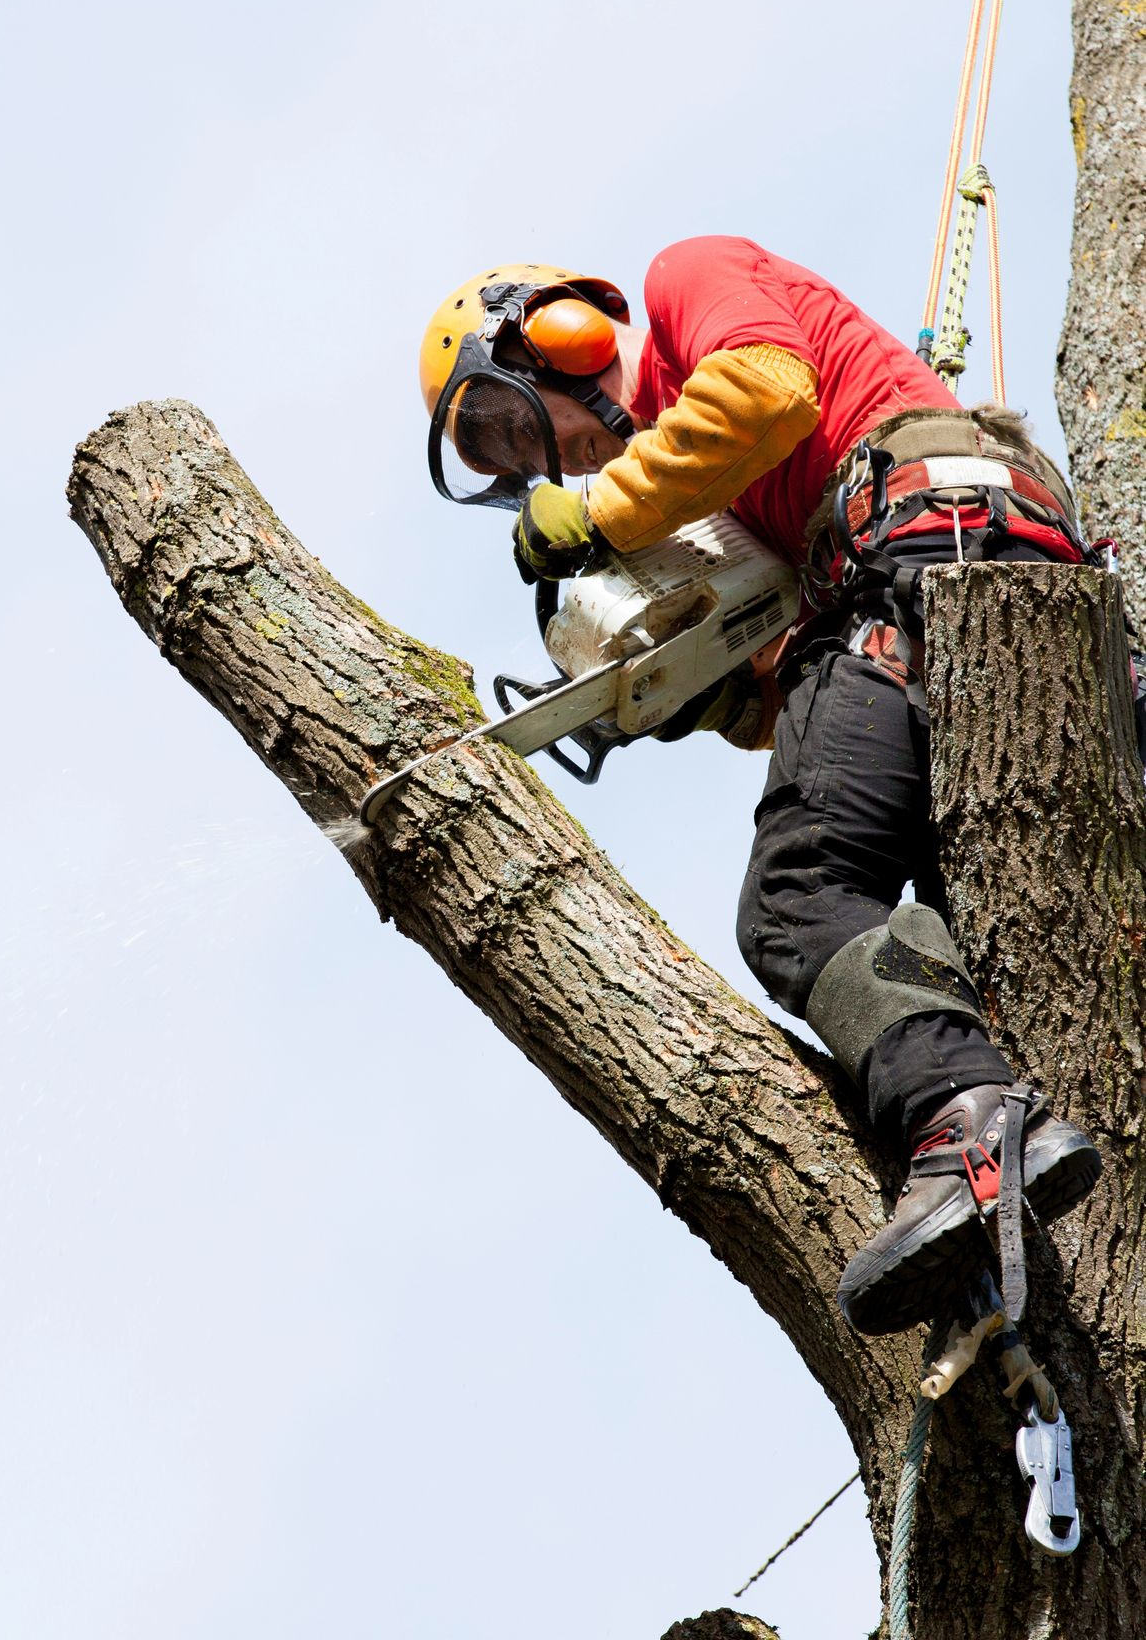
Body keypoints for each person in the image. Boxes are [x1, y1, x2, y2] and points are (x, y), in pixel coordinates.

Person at [418, 239, 1102, 1335]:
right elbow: (812, 695)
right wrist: (717, 697)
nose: (534, 462)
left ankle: (965, 1120)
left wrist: (600, 520)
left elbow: (767, 394)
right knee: (975, 919)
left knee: (800, 894)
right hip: (965, 581)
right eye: (500, 461)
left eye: (509, 424)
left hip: (925, 544)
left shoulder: (689, 285)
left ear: (557, 337)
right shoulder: (728, 514)